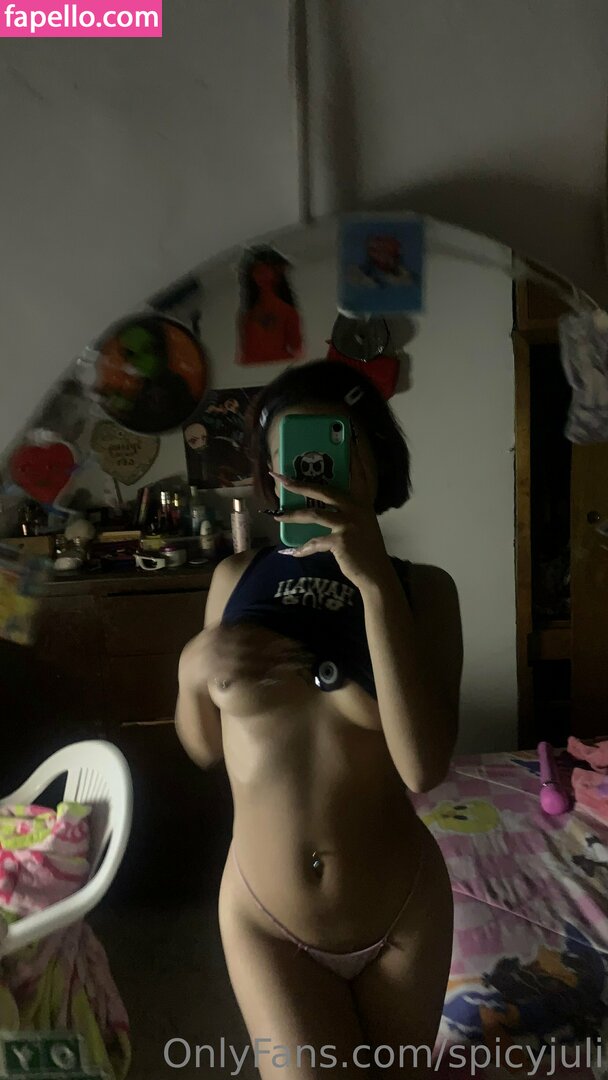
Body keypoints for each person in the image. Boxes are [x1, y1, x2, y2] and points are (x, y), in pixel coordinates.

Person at [175, 359, 463, 1078]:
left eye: (334, 445)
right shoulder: (234, 580)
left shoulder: (425, 592)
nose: (309, 470)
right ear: (269, 472)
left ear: (373, 458)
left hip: (404, 917)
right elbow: (203, 745)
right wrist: (192, 669)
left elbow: (423, 767)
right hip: (266, 920)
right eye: (289, 453)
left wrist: (372, 580)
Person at [238, 247, 303, 364]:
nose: (262, 276)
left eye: (266, 270)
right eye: (258, 271)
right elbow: (246, 352)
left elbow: (296, 348)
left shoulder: (288, 312)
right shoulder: (247, 315)